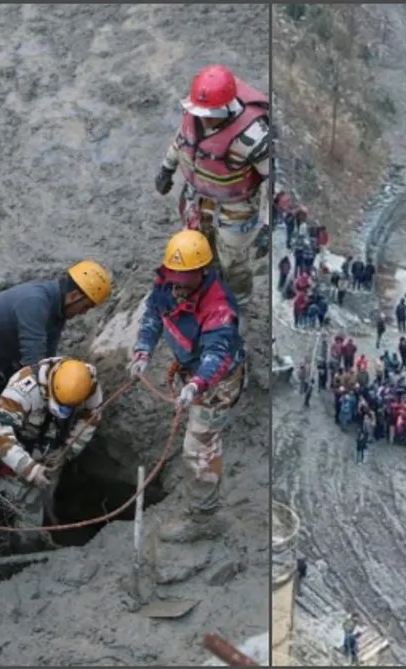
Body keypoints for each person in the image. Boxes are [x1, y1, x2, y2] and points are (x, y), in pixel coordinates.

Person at [130, 230, 246, 542]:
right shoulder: (166, 282)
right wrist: (143, 350)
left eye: (184, 276)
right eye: (173, 275)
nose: (177, 283)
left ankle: (204, 519)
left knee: (199, 449)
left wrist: (197, 384)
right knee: (197, 443)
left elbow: (217, 355)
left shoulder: (219, 307)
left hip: (217, 381)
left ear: (202, 271)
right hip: (192, 366)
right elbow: (154, 314)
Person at [154, 64, 271, 299]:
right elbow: (181, 141)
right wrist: (167, 169)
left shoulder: (252, 137)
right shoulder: (192, 117)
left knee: (233, 259)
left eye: (210, 115)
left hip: (236, 206)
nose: (204, 120)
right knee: (197, 244)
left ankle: (239, 298)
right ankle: (205, 289)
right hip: (196, 197)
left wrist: (267, 224)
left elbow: (272, 179)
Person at [0, 357, 104, 544]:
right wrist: (29, 469)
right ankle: (24, 539)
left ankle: (49, 516)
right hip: (19, 446)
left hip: (53, 443)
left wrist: (69, 450)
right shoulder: (23, 389)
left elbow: (91, 418)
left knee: (48, 488)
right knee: (27, 499)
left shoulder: (87, 385)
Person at [0, 261, 112, 394]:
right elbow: (33, 362)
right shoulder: (36, 301)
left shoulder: (57, 311)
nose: (83, 312)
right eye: (86, 306)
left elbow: (47, 359)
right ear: (73, 296)